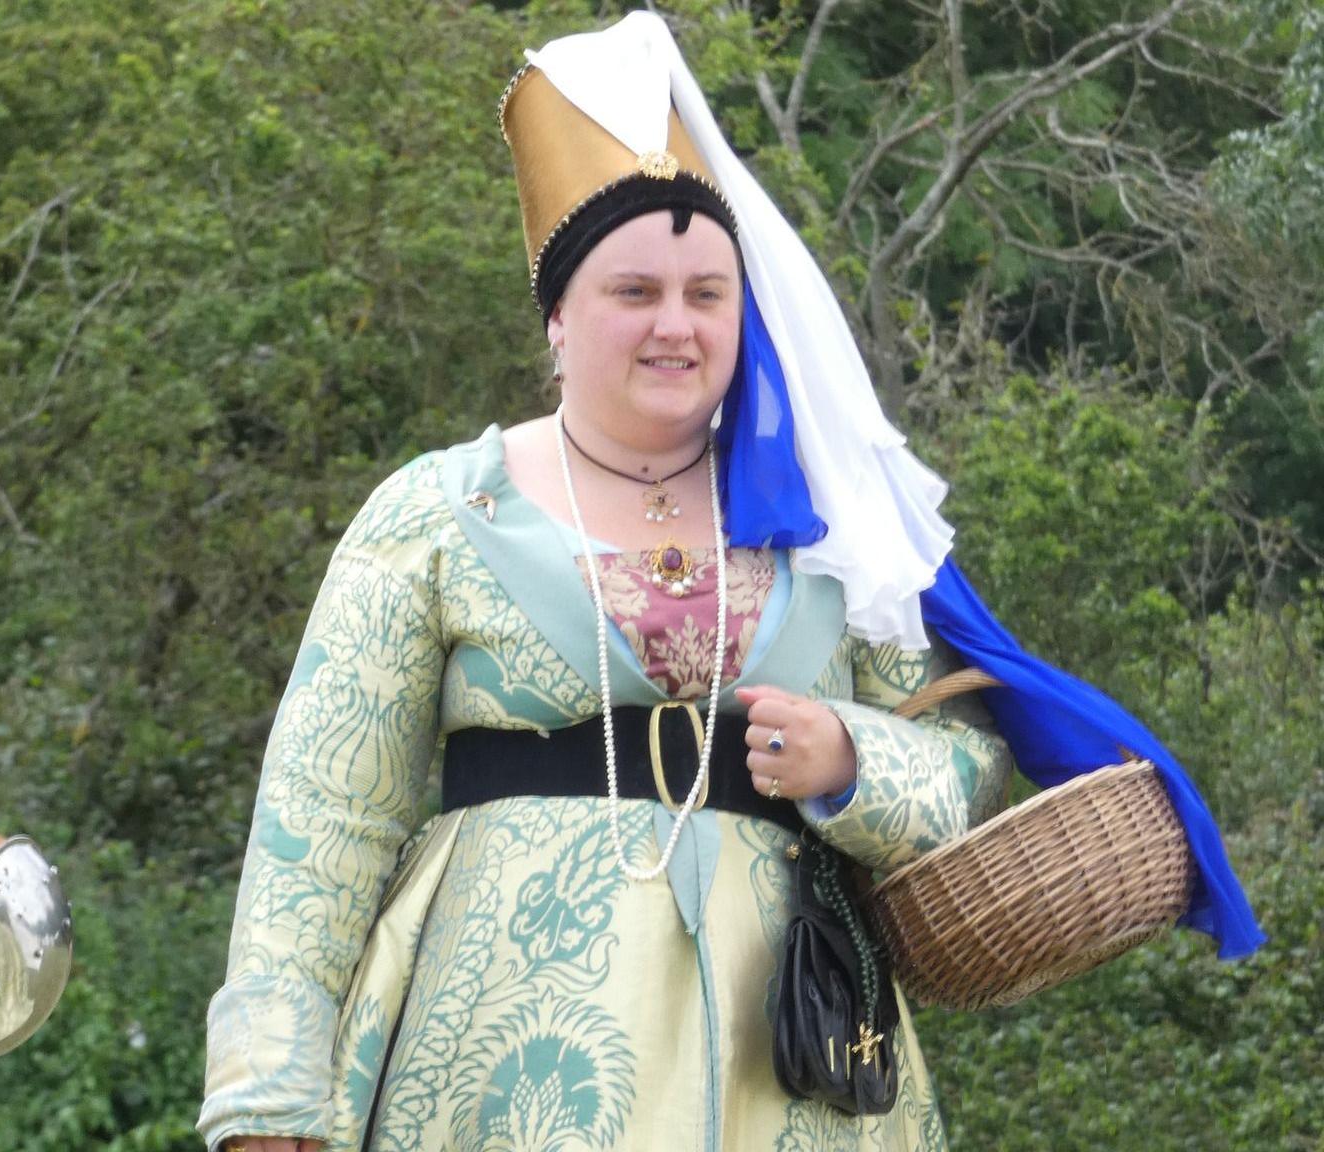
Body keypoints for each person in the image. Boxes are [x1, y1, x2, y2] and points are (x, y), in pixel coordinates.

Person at [198, 14, 1262, 1152]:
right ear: (558, 319)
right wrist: (269, 1098)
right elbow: (319, 821)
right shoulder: (435, 512)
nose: (675, 324)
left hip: (787, 1059)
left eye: (707, 293)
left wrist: (853, 763)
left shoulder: (822, 519)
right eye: (634, 292)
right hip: (495, 1064)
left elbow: (966, 760)